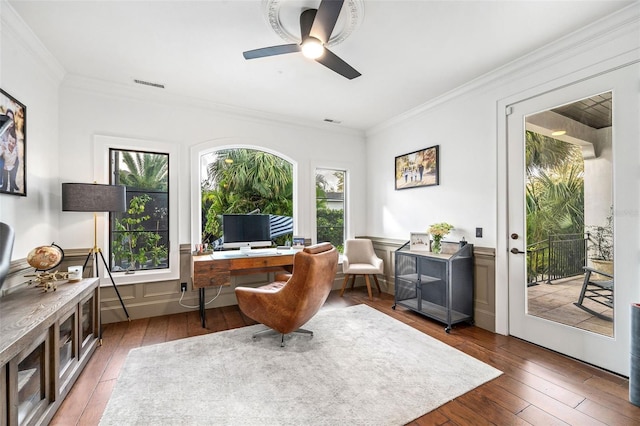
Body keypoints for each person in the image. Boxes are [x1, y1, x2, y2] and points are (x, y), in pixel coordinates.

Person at [1, 127, 19, 192]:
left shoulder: (16, 149)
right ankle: (4, 187)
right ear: (7, 139)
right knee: (5, 182)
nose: (11, 144)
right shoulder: (4, 146)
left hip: (12, 166)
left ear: (16, 143)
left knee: (12, 179)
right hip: (5, 167)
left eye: (13, 143)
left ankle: (12, 186)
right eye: (10, 141)